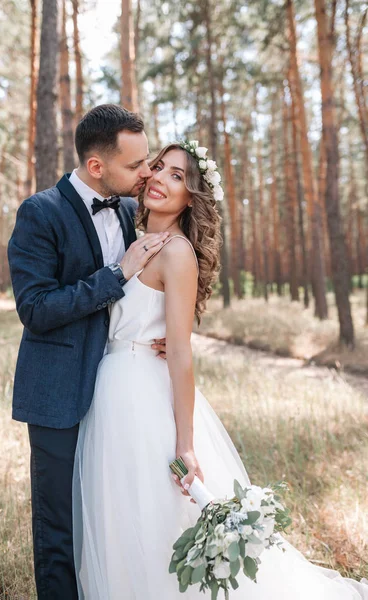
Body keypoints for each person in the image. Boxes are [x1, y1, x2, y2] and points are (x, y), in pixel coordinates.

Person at [72, 141, 368, 599]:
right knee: (124, 515)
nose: (162, 180)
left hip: (143, 398)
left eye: (178, 177)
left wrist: (186, 443)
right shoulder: (132, 243)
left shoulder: (177, 253)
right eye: (161, 168)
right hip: (111, 391)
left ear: (191, 198)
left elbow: (182, 354)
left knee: (158, 515)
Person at [8, 104, 169, 599]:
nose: (147, 173)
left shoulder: (126, 210)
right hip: (58, 390)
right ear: (97, 167)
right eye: (136, 165)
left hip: (120, 388)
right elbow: (35, 308)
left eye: (148, 162)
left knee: (108, 514)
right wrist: (116, 275)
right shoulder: (41, 213)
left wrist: (151, 330)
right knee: (59, 521)